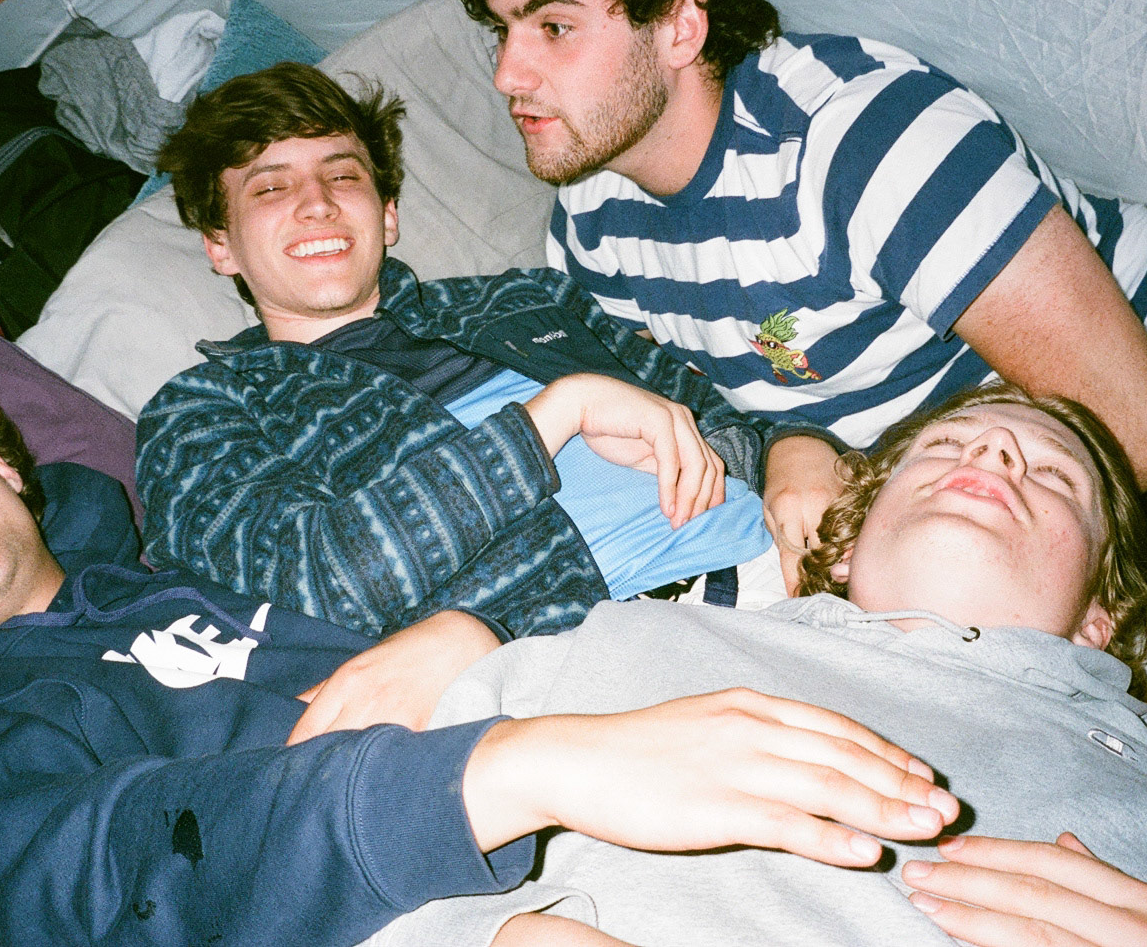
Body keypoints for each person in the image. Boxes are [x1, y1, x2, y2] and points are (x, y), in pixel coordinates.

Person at [0, 347, 960, 947]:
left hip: (526, 755)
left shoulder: (160, 577)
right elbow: (97, 879)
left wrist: (464, 634)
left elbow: (386, 623)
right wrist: (507, 769)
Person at [431, 0, 1147, 636]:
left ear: (680, 26)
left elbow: (1144, 428)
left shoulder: (858, 139)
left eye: (554, 26)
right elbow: (710, 398)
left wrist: (857, 497)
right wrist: (795, 443)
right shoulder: (591, 222)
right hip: (970, 487)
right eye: (501, 30)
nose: (507, 74)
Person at [356, 381, 1147, 947]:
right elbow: (334, 859)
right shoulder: (623, 640)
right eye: (945, 445)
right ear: (850, 536)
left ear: (1100, 617)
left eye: (1053, 475)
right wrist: (497, 935)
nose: (991, 451)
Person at [135, 61, 849, 637]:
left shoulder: (526, 298)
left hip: (796, 568)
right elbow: (318, 582)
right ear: (220, 245)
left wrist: (794, 446)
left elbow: (716, 421)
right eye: (270, 187)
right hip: (612, 647)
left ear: (387, 214)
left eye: (343, 174)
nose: (317, 202)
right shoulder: (201, 411)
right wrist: (557, 415)